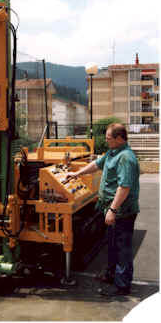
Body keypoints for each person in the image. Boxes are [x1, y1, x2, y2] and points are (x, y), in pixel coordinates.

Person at [67, 123, 140, 296]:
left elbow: (124, 187)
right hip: (112, 209)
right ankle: (111, 275)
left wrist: (113, 210)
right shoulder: (112, 153)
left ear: (119, 138)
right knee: (113, 244)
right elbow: (96, 165)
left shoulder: (125, 158)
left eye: (108, 138)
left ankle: (122, 286)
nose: (106, 141)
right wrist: (76, 174)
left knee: (123, 248)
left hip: (123, 211)